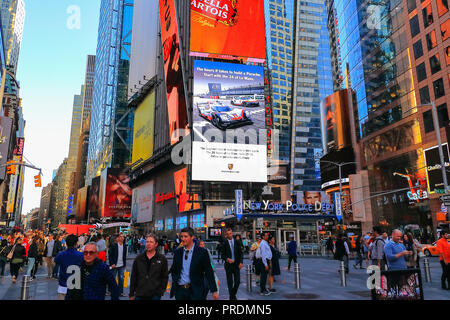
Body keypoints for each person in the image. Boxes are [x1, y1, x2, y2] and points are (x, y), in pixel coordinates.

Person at [169, 227, 219, 300]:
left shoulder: (202, 252)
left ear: (192, 237)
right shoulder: (177, 252)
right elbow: (174, 269)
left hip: (196, 291)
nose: (183, 239)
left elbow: (209, 272)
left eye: (185, 236)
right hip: (180, 291)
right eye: (181, 236)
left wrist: (214, 291)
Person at [129, 234, 169, 300]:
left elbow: (164, 276)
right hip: (139, 294)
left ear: (156, 244)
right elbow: (133, 276)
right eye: (147, 242)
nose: (148, 244)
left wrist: (160, 291)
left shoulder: (162, 259)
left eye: (151, 242)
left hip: (155, 295)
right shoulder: (138, 258)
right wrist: (131, 294)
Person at [54, 234, 84, 300]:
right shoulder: (81, 255)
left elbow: (56, 260)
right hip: (76, 286)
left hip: (63, 286)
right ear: (76, 243)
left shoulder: (61, 254)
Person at [221, 228, 243, 300]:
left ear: (232, 233)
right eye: (228, 234)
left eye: (230, 233)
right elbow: (222, 255)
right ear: (226, 235)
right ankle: (232, 297)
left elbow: (241, 253)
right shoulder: (224, 243)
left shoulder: (237, 242)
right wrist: (227, 259)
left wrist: (241, 262)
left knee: (237, 281)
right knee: (230, 282)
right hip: (228, 265)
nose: (229, 235)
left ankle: (232, 295)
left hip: (236, 264)